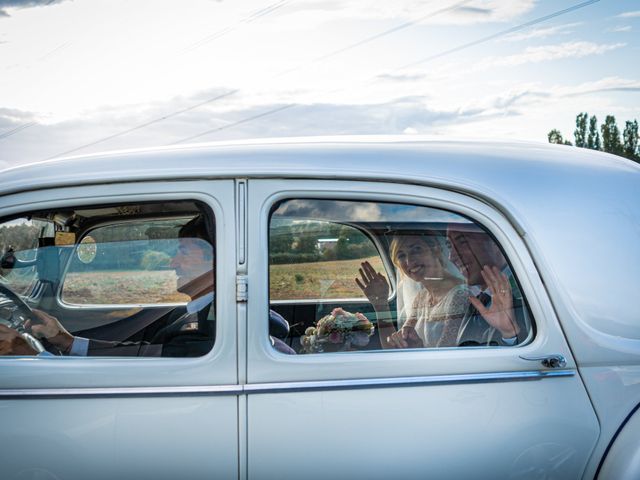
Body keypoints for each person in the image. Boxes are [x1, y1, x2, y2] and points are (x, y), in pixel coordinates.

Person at [356, 232, 469, 349]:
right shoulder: (422, 297)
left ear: (435, 249)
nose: (409, 262)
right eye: (401, 256)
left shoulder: (459, 295)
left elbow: (444, 357)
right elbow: (393, 349)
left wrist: (418, 348)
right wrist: (381, 305)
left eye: (416, 250)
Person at [446, 223, 529, 346]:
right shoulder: (478, 298)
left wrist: (510, 333)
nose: (452, 256)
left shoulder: (526, 293)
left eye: (462, 242)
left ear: (496, 243)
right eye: (449, 246)